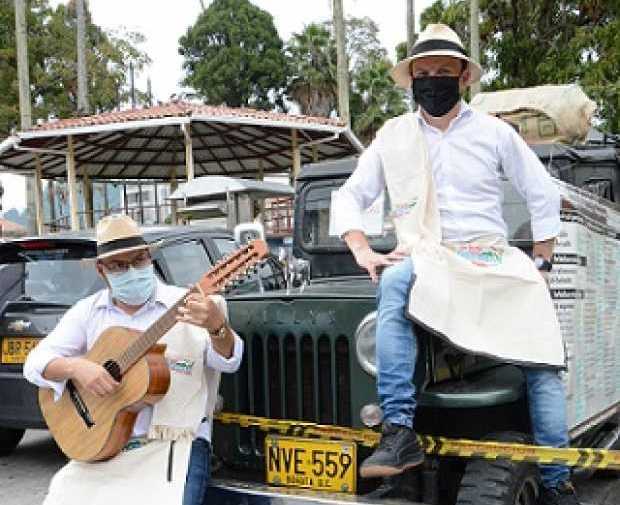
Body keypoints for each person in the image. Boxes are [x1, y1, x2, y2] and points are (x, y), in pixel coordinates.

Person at [332, 23, 579, 505]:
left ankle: (557, 482)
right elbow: (351, 196)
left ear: (464, 76)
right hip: (427, 258)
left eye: (442, 72)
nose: (431, 80)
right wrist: (363, 249)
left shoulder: (494, 133)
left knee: (543, 362)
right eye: (422, 73)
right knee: (395, 277)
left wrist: (542, 261)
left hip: (490, 257)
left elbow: (541, 192)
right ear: (411, 81)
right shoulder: (393, 136)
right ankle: (399, 433)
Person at [24, 214, 243, 505]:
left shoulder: (188, 306)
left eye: (138, 260)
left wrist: (218, 327)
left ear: (149, 259)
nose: (132, 271)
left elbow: (229, 360)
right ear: (102, 271)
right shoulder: (88, 311)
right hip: (103, 447)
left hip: (174, 447)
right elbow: (35, 362)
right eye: (119, 265)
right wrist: (77, 367)